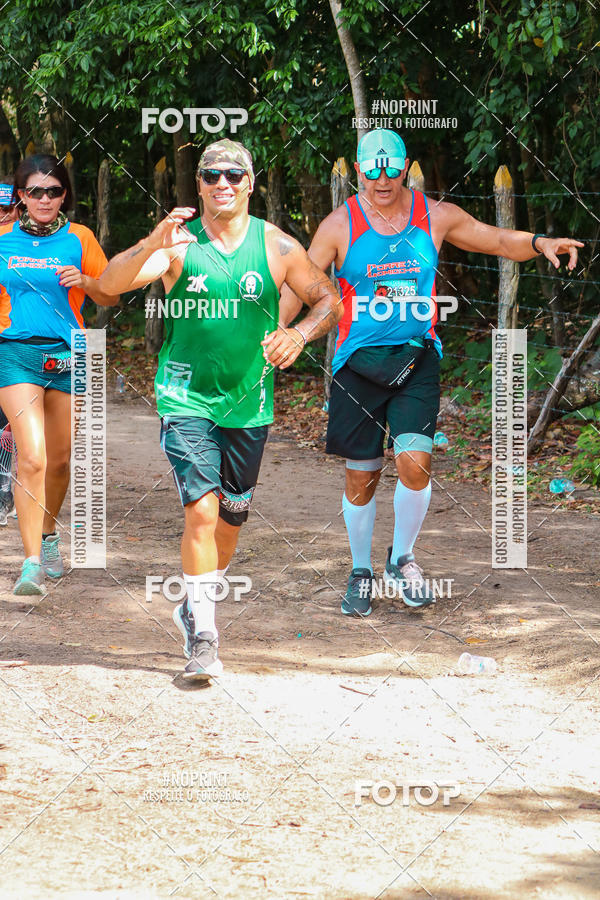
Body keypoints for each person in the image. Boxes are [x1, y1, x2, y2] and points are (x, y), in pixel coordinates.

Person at [279, 128, 583, 617]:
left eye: (390, 167)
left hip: (417, 354)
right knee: (362, 476)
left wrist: (540, 241)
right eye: (371, 168)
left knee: (414, 463)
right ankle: (361, 571)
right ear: (358, 170)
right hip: (356, 362)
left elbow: (496, 239)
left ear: (404, 168)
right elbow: (303, 282)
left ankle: (402, 560)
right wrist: (280, 330)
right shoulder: (339, 225)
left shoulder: (433, 216)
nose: (381, 178)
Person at [98, 138, 341, 681]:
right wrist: (150, 243)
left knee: (231, 518)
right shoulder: (178, 246)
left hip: (249, 403)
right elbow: (109, 287)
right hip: (184, 396)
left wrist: (298, 335)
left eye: (234, 174)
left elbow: (328, 299)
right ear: (200, 186)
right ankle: (204, 637)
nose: (222, 183)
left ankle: (193, 599)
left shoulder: (277, 247)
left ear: (250, 183)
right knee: (202, 510)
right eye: (211, 175)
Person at [0, 155, 119, 594]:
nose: (44, 198)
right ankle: (30, 562)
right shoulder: (2, 240)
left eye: (52, 191)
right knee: (31, 456)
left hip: (71, 355)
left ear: (64, 194)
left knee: (62, 459)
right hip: (14, 354)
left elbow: (110, 290)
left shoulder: (80, 238)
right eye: (35, 191)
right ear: (22, 196)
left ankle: (48, 535)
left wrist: (86, 282)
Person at [0, 179, 19, 525]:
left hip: (16, 340)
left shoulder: (30, 248)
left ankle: (5, 492)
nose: (1, 217)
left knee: (7, 423)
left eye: (6, 210)